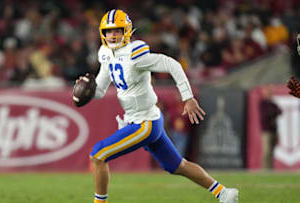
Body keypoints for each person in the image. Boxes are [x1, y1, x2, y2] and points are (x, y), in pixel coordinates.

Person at [76, 9, 238, 203]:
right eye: (109, 31)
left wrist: (188, 97)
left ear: (126, 31)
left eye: (117, 30)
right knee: (179, 166)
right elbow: (100, 91)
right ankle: (224, 193)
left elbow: (172, 65)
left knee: (98, 154)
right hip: (138, 119)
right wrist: (86, 89)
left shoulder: (135, 53)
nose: (112, 35)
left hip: (145, 123)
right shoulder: (105, 54)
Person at [259, 87, 282, 169]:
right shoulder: (263, 103)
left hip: (274, 130)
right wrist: (273, 112)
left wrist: (273, 112)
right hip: (266, 130)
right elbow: (266, 114)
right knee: (267, 150)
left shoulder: (272, 104)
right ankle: (265, 168)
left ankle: (270, 168)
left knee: (272, 151)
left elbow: (280, 111)